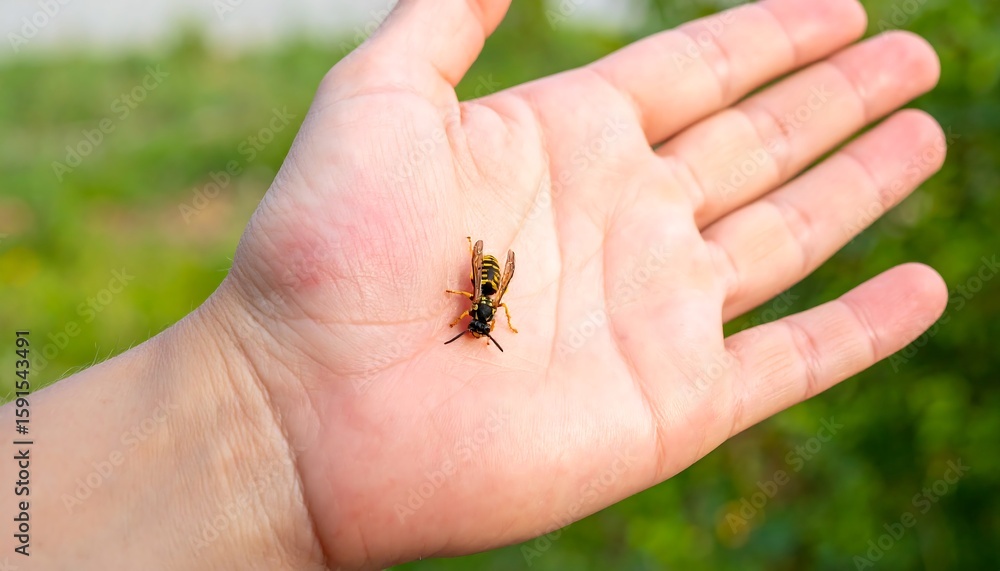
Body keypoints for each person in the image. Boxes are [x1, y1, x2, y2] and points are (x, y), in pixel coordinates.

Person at [5, 0, 948, 568]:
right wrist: (270, 409)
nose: (476, 311)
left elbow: (485, 293)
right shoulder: (479, 296)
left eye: (478, 311)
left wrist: (265, 426)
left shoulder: (481, 300)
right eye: (479, 310)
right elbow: (482, 289)